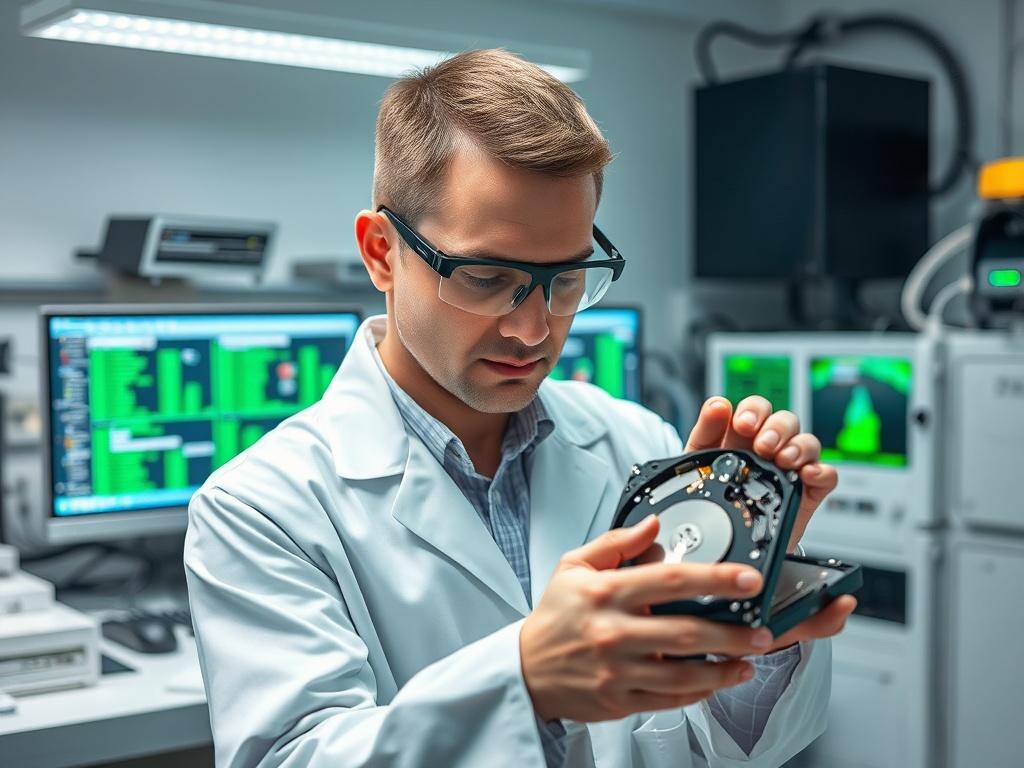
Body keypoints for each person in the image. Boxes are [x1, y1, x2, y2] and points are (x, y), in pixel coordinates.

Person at [184, 48, 855, 768]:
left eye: (566, 279)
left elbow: (708, 745)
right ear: (382, 253)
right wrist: (527, 682)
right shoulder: (260, 509)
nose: (534, 330)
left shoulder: (635, 444)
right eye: (486, 276)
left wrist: (750, 615)